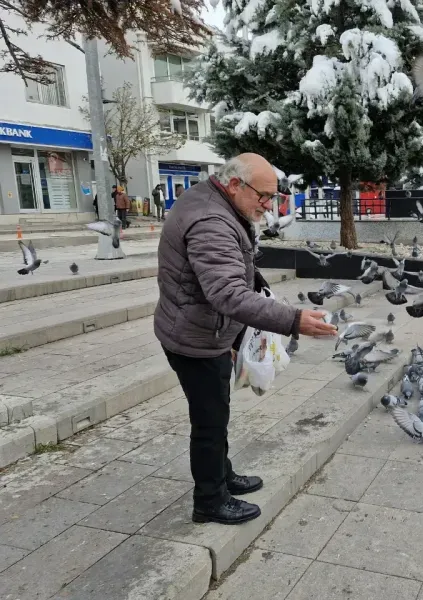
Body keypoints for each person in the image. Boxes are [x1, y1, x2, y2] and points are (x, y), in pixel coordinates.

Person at [154, 153, 337, 525]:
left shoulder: (213, 198)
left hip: (201, 327)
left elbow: (233, 270)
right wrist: (294, 319)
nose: (268, 206)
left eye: (273, 198)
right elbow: (227, 293)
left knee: (217, 412)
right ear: (235, 184)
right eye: (264, 196)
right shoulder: (210, 220)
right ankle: (210, 500)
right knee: (209, 421)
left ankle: (222, 475)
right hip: (194, 337)